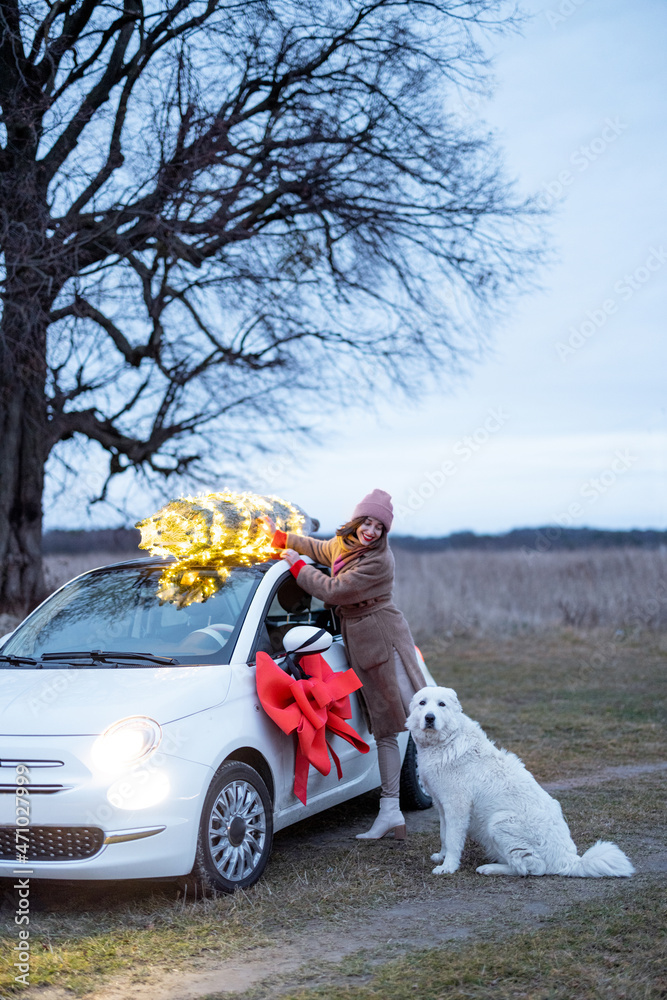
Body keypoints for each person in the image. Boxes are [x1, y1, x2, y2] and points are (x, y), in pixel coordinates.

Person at [261, 489, 425, 840]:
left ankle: (398, 806)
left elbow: (334, 590)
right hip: (359, 638)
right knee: (387, 726)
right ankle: (391, 811)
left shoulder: (379, 561)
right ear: (356, 521)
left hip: (382, 637)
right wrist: (283, 538)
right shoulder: (344, 544)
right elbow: (320, 548)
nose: (371, 531)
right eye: (367, 522)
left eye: (379, 527)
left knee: (397, 725)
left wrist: (297, 565)